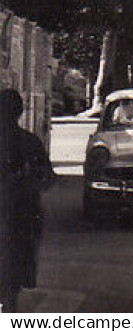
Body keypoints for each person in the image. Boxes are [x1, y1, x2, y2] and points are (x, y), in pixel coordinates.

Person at [1, 89, 54, 312]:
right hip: (22, 213)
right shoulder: (29, 141)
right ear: (20, 113)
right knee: (16, 265)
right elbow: (48, 178)